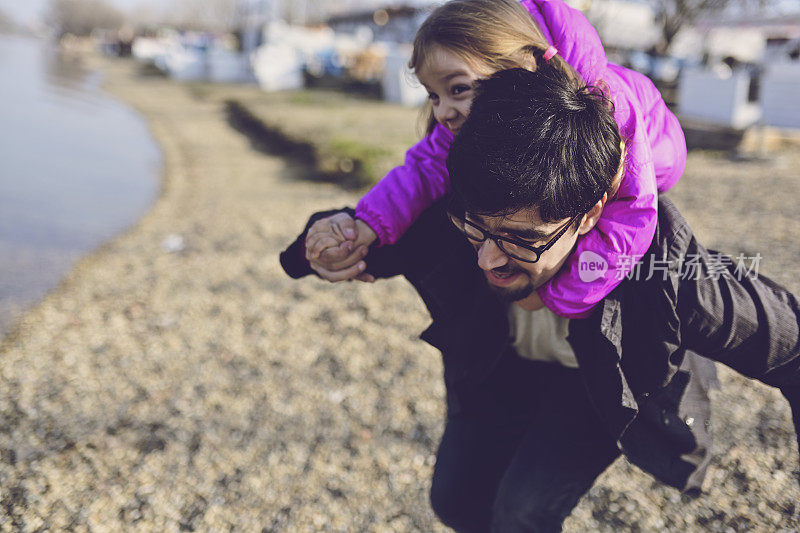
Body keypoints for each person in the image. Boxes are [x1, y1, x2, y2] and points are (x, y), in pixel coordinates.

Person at [281, 66, 800, 531]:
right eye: (474, 229)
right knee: (455, 502)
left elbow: (792, 347)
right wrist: (323, 240)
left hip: (598, 385)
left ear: (592, 213)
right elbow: (370, 229)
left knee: (522, 512)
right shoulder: (464, 209)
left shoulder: (667, 272)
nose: (487, 258)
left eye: (522, 239)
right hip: (503, 368)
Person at [303, 0, 687, 319]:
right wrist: (368, 223)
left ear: (520, 65)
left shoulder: (601, 104)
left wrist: (562, 297)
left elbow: (634, 211)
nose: (442, 112)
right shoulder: (475, 121)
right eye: (433, 95)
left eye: (457, 89)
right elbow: (421, 171)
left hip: (659, 151)